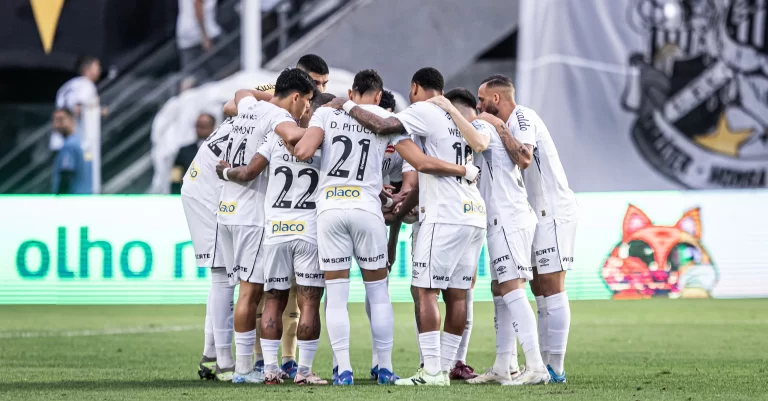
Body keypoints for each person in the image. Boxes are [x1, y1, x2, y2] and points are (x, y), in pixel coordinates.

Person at [298, 69, 474, 386]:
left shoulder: (326, 112)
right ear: (379, 97)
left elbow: (304, 151)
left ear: (352, 93)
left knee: (336, 296)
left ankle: (344, 369)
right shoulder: (388, 118)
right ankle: (384, 367)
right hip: (367, 210)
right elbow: (419, 163)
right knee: (378, 292)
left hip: (330, 209)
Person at [430, 88, 550, 385]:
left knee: (512, 290)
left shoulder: (481, 126)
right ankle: (502, 365)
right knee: (500, 292)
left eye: (483, 101)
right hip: (503, 218)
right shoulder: (491, 127)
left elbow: (476, 136)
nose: (482, 106)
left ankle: (535, 366)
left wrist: (452, 109)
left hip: (507, 218)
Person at [214, 92, 334, 386]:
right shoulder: (327, 140)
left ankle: (269, 370)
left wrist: (226, 171)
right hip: (309, 230)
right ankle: (303, 372)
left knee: (273, 301)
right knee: (309, 303)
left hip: (275, 231)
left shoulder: (274, 138)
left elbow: (249, 171)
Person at [477, 74, 579, 384]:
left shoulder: (522, 116)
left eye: (482, 99)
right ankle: (535, 365)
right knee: (534, 289)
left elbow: (523, 157)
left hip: (553, 210)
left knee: (551, 286)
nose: (478, 105)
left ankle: (554, 368)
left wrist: (498, 126)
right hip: (534, 214)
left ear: (497, 99)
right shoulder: (506, 124)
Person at [52, 56, 102, 152]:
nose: (99, 69)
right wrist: (98, 112)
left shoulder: (68, 85)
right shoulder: (87, 85)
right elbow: (77, 109)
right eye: (97, 66)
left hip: (59, 140)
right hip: (77, 143)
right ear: (88, 69)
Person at [177, 0, 223, 86]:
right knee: (228, 60)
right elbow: (198, 5)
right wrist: (204, 36)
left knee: (190, 75)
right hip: (203, 33)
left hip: (185, 34)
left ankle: (184, 94)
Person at [172, 113, 216, 194]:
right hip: (187, 195)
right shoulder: (184, 151)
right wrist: (175, 194)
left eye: (204, 126)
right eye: (198, 126)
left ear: (213, 127)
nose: (201, 130)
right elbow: (175, 175)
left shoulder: (220, 151)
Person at [51, 108, 92, 195]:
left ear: (71, 120)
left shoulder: (69, 146)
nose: (57, 125)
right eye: (55, 121)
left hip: (71, 201)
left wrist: (59, 199)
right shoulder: (82, 143)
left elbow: (66, 175)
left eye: (60, 120)